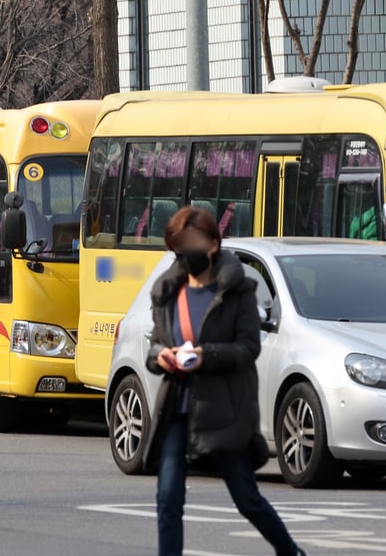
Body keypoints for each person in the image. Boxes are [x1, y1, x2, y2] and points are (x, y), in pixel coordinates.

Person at [146, 205, 304, 556]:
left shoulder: (236, 291)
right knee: (167, 497)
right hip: (177, 407)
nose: (187, 251)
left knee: (246, 498)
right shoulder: (168, 293)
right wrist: (160, 355)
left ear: (214, 244)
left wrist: (206, 355)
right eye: (180, 243)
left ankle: (290, 552)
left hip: (224, 409)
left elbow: (248, 348)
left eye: (194, 242)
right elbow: (155, 343)